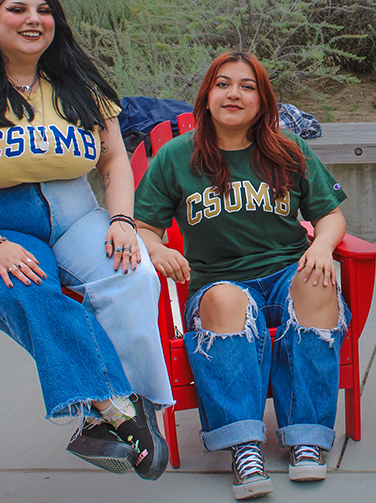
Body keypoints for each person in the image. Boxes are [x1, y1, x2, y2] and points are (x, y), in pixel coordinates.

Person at [0, 0, 172, 480]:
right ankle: (116, 412)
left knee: (133, 272)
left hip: (75, 215)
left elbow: (115, 158)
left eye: (43, 10)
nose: (33, 19)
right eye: (18, 8)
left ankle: (136, 411)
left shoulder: (79, 82)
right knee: (30, 286)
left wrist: (121, 219)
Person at [133, 50, 349, 500]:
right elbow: (143, 229)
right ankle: (244, 445)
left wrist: (323, 247)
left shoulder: (289, 149)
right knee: (226, 301)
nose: (235, 93)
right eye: (223, 84)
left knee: (317, 282)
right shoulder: (175, 157)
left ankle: (306, 438)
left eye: (247, 86)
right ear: (207, 96)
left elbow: (329, 216)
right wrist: (155, 249)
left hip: (287, 270)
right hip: (217, 281)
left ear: (262, 100)